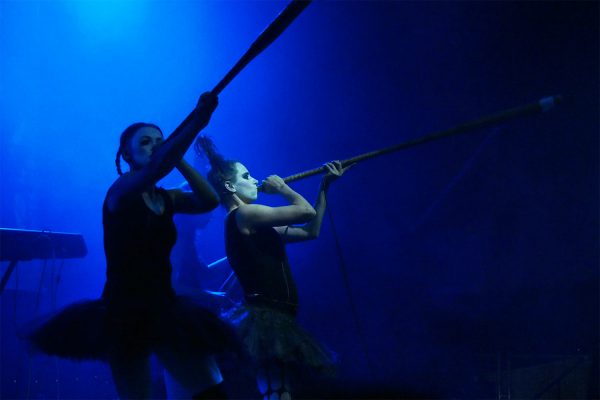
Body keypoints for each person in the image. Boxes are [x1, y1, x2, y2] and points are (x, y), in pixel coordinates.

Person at [25, 92, 233, 399]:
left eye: (160, 139)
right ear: (127, 154)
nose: (156, 145)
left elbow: (209, 201)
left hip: (165, 306)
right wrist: (197, 121)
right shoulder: (120, 191)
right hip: (123, 311)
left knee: (212, 392)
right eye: (146, 142)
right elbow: (156, 169)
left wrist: (178, 158)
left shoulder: (166, 198)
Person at [195, 136, 351, 400]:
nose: (255, 180)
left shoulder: (255, 220)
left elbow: (311, 231)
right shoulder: (245, 214)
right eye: (247, 175)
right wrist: (281, 188)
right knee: (277, 393)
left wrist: (324, 187)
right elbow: (305, 212)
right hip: (266, 320)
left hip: (280, 317)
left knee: (279, 391)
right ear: (229, 184)